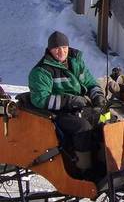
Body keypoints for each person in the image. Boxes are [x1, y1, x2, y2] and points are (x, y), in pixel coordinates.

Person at [28, 31, 106, 176]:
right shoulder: (41, 71)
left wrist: (98, 96)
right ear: (49, 50)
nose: (61, 51)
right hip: (58, 114)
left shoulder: (76, 62)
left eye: (64, 47)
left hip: (80, 107)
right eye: (56, 48)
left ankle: (105, 162)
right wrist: (68, 101)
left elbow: (90, 83)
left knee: (105, 118)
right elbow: (40, 99)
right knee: (83, 127)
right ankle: (85, 169)